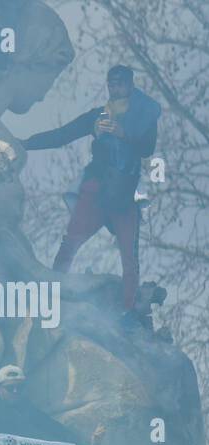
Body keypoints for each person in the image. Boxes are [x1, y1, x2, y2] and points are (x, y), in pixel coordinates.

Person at [23, 65, 161, 314]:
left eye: (119, 83)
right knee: (70, 243)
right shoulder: (98, 116)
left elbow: (147, 147)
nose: (114, 88)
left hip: (124, 195)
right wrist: (25, 144)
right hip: (96, 190)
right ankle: (51, 296)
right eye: (111, 83)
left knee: (130, 258)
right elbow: (63, 135)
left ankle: (128, 312)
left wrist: (123, 133)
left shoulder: (142, 115)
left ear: (130, 85)